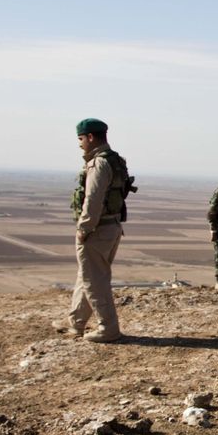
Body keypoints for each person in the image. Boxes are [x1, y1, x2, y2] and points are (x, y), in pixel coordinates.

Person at [68, 118, 127, 343]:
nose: (80, 144)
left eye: (81, 139)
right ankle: (76, 322)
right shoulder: (115, 160)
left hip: (98, 229)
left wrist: (84, 227)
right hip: (111, 226)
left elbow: (93, 199)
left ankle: (108, 328)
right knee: (87, 275)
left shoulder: (99, 163)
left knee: (95, 280)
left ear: (90, 137)